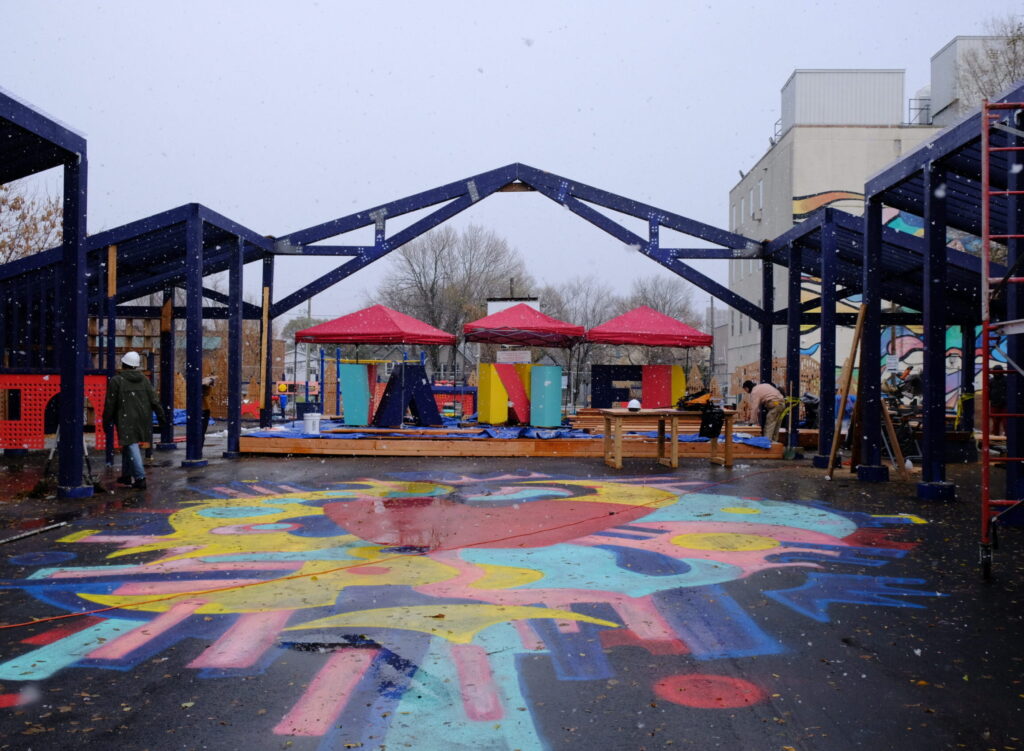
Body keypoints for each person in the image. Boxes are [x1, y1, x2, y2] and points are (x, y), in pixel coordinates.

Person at [103, 351, 166, 490]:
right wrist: (162, 417)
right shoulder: (144, 380)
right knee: (128, 443)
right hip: (143, 418)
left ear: (123, 364)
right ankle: (126, 475)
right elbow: (154, 400)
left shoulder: (117, 381)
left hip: (125, 418)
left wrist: (106, 421)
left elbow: (110, 404)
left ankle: (140, 477)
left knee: (130, 444)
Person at [989, 365, 1007, 436]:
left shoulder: (991, 381)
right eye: (996, 372)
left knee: (1005, 422)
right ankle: (997, 436)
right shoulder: (991, 381)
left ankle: (999, 437)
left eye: (998, 371)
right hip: (997, 403)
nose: (997, 373)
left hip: (1002, 403)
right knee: (996, 422)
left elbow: (988, 392)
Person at [200, 376, 216, 449]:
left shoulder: (202, 389)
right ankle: (199, 448)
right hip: (204, 410)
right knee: (201, 432)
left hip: (202, 410)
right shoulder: (204, 390)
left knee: (201, 432)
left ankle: (198, 448)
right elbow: (207, 392)